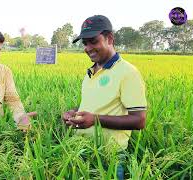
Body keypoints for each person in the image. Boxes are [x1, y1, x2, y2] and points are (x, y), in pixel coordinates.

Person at [62, 15, 147, 179]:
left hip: (110, 158)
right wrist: (73, 113)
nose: (88, 48)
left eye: (93, 41)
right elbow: (90, 107)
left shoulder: (128, 73)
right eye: (85, 43)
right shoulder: (90, 73)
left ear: (109, 38)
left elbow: (139, 120)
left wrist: (95, 120)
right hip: (82, 152)